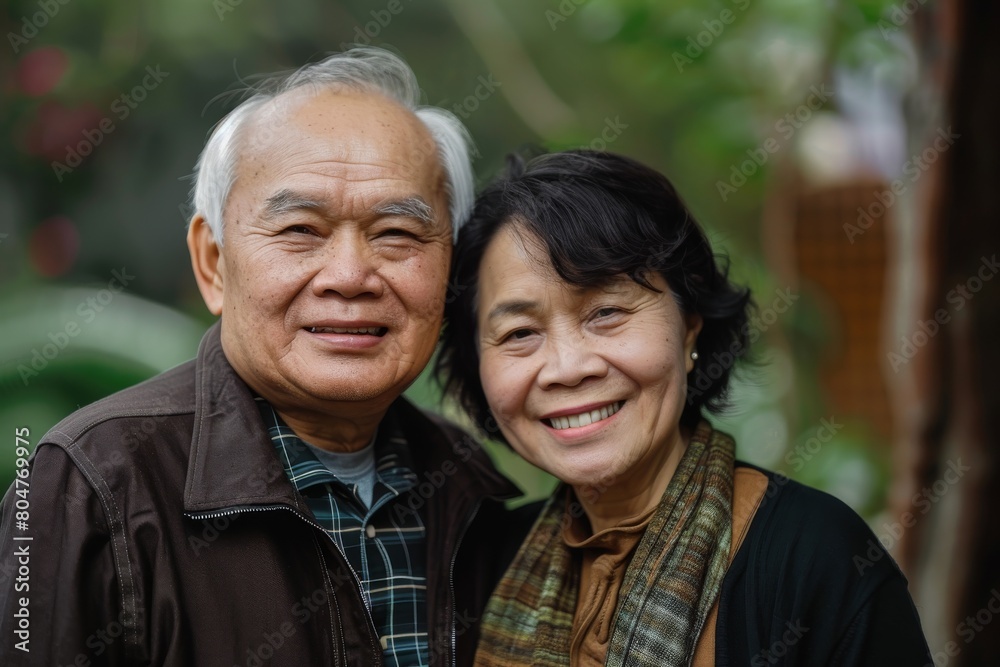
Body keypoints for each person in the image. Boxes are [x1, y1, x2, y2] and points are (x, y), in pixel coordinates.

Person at [0, 47, 534, 666]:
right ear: (213, 262)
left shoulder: (469, 490)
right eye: (300, 230)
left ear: (449, 270)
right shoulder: (92, 483)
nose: (350, 275)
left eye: (397, 233)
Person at [436, 150, 933, 666]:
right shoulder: (481, 561)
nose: (567, 367)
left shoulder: (815, 556)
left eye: (606, 312)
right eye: (519, 333)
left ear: (690, 325)